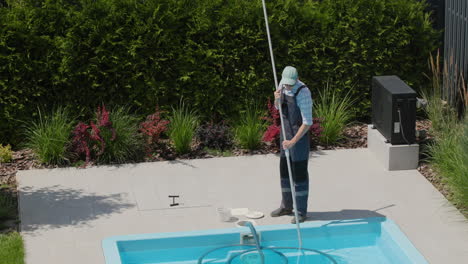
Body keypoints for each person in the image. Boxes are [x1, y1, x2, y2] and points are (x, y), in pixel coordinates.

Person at [270, 66, 313, 224]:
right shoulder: (282, 84)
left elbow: (307, 123)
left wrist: (293, 141)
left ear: (297, 78)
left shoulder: (303, 92)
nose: (287, 86)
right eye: (285, 83)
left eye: (290, 84)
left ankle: (301, 212)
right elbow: (278, 108)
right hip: (285, 134)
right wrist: (276, 98)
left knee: (299, 175)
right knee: (284, 172)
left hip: (298, 138)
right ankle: (286, 206)